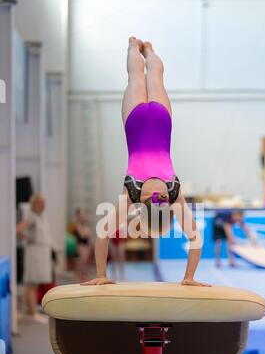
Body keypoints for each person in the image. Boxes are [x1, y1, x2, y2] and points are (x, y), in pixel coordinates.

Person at [83, 37, 209, 288]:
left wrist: (189, 277)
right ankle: (133, 46)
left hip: (162, 122)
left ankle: (149, 49)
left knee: (156, 77)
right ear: (142, 215)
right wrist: (101, 274)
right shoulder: (133, 194)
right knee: (134, 77)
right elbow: (102, 232)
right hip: (135, 123)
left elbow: (196, 238)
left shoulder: (173, 194)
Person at [16, 194, 52, 323]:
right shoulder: (31, 217)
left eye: (43, 203)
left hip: (41, 252)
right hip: (34, 252)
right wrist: (28, 238)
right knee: (32, 281)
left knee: (34, 282)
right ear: (34, 204)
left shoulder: (41, 217)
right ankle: (33, 312)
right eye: (40, 203)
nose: (43, 205)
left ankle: (28, 308)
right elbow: (18, 229)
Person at [73, 208, 93, 282]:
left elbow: (89, 239)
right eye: (82, 215)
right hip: (80, 247)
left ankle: (83, 276)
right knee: (80, 264)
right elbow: (82, 235)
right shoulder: (78, 225)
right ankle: (78, 277)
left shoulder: (85, 227)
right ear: (79, 217)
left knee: (84, 264)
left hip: (86, 247)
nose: (84, 217)